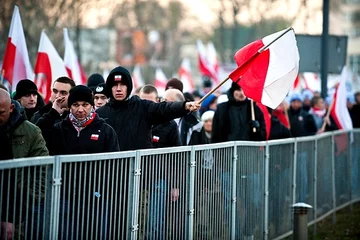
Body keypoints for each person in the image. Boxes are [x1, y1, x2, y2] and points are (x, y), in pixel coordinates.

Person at [96, 66, 200, 151]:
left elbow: (164, 108)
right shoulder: (100, 114)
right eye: (115, 85)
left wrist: (184, 106)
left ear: (129, 87)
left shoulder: (142, 107)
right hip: (112, 173)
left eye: (122, 85)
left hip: (140, 173)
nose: (118, 89)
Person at [0, 89, 48, 240]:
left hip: (17, 209)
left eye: (0, 113)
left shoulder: (31, 132)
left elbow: (42, 170)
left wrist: (18, 209)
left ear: (11, 108)